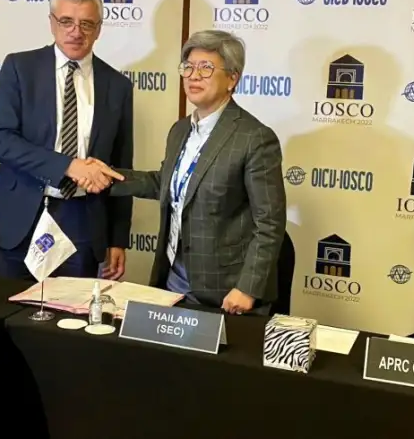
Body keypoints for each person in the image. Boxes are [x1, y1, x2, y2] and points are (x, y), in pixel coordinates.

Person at [82, 30, 286, 315]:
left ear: (232, 78)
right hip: (174, 279)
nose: (193, 76)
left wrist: (248, 288)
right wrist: (108, 176)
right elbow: (165, 183)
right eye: (188, 67)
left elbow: (270, 223)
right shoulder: (180, 130)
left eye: (206, 68)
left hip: (226, 291)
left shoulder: (255, 138)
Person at [0, 0, 133, 280]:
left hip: (82, 220)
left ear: (99, 29)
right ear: (51, 22)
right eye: (66, 21)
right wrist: (68, 166)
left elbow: (121, 166)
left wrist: (118, 238)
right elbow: (0, 140)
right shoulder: (20, 67)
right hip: (19, 214)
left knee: (70, 309)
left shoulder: (118, 86)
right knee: (1, 304)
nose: (76, 32)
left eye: (86, 24)